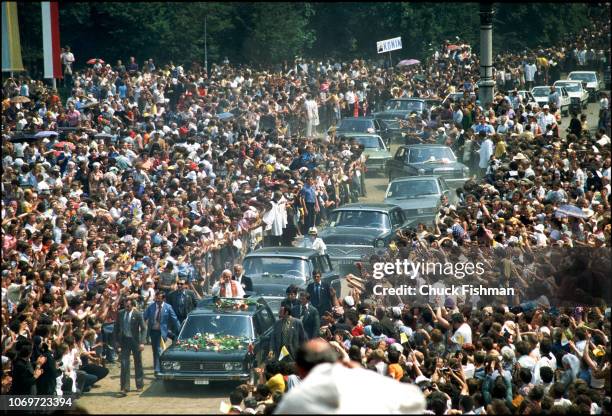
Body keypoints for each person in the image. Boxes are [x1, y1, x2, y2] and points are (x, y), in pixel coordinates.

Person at [113, 299, 146, 397]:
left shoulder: (138, 314)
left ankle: (139, 384)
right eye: (125, 306)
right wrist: (117, 342)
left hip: (135, 341)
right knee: (124, 364)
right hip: (125, 341)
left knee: (138, 362)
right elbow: (116, 328)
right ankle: (124, 387)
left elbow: (144, 328)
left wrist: (142, 342)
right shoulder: (121, 313)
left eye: (128, 306)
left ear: (132, 306)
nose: (126, 308)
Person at [144, 292, 180, 373]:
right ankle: (157, 367)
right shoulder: (151, 307)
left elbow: (175, 319)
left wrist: (180, 330)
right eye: (156, 299)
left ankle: (158, 369)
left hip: (162, 332)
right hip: (153, 332)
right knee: (155, 350)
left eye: (159, 299)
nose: (158, 301)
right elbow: (144, 317)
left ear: (163, 299)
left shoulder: (168, 307)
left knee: (158, 349)